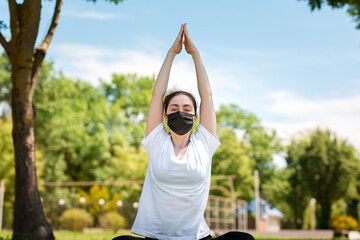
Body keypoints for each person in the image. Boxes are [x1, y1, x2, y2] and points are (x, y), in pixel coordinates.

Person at [113, 24, 254, 240]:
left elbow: (206, 95)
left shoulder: (204, 144)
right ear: (164, 115)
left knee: (243, 239)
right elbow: (156, 94)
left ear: (196, 117)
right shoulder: (156, 141)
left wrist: (194, 54)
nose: (181, 112)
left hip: (195, 237)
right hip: (157, 237)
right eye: (174, 108)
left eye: (187, 109)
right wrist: (172, 54)